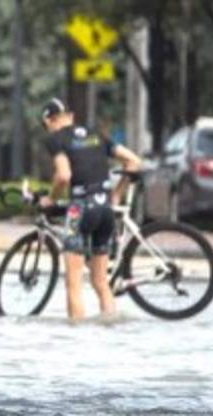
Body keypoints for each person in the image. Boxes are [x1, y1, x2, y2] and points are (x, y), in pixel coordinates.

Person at [38, 98, 142, 320]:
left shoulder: (55, 139)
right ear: (71, 116)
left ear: (49, 120)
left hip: (80, 210)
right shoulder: (96, 134)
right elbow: (134, 161)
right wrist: (116, 194)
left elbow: (63, 175)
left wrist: (50, 199)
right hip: (105, 211)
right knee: (101, 282)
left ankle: (75, 335)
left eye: (45, 125)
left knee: (73, 283)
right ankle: (110, 325)